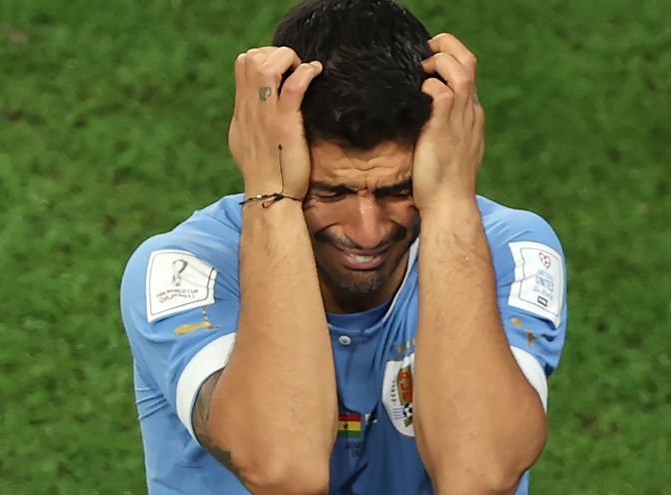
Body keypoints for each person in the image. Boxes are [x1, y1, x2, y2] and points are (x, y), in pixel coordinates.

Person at [119, 0, 567, 493]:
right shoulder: (185, 270)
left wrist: (450, 203)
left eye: (399, 191)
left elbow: (480, 476)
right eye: (331, 194)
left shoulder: (511, 251)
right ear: (276, 154)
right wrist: (271, 195)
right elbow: (284, 470)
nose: (367, 232)